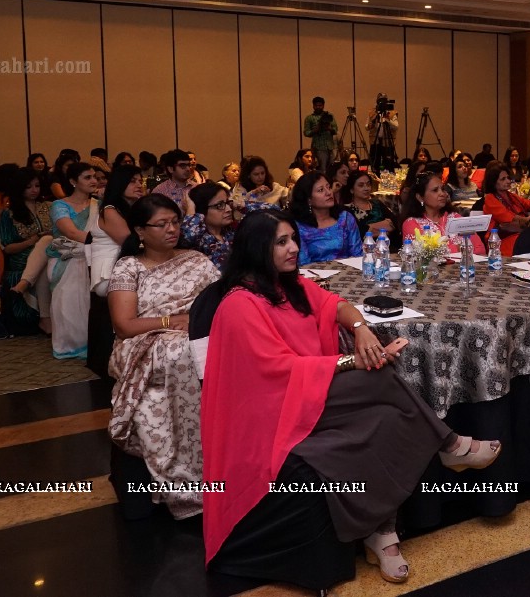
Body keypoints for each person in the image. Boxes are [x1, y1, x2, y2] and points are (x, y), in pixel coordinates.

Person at [201, 211, 500, 586]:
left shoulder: (287, 286)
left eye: (293, 238)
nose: (294, 247)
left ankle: (382, 532)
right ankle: (449, 444)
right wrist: (350, 361)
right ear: (255, 248)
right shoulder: (239, 304)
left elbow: (334, 304)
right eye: (281, 242)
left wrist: (360, 329)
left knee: (388, 415)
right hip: (271, 408)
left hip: (306, 389)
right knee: (378, 376)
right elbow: (277, 371)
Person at [107, 195, 220, 518]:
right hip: (146, 339)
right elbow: (124, 325)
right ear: (140, 231)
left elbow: (223, 300)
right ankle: (186, 477)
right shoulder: (129, 267)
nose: (172, 229)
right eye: (162, 224)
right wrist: (172, 322)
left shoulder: (196, 259)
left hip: (196, 334)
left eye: (175, 222)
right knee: (179, 354)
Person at [47, 162, 99, 359]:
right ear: (72, 182)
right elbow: (70, 232)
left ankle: (91, 345)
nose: (93, 180)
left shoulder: (98, 205)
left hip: (92, 259)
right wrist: (101, 242)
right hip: (67, 260)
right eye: (87, 177)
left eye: (94, 176)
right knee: (67, 305)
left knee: (88, 305)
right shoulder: (60, 205)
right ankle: (68, 347)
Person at [0, 168, 54, 332]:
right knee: (44, 259)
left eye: (37, 186)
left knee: (48, 245)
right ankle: (44, 317)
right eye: (29, 187)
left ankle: (44, 316)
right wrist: (31, 241)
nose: (34, 190)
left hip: (50, 253)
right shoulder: (10, 214)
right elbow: (7, 248)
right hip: (22, 258)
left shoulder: (50, 207)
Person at [91, 165, 146, 297]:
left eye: (140, 181)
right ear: (119, 184)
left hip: (128, 267)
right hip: (109, 274)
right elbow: (131, 243)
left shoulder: (132, 209)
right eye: (132, 181)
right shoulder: (110, 210)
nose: (139, 185)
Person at [400, 173, 484, 255]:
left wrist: (453, 249)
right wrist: (459, 248)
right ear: (420, 197)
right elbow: (425, 255)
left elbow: (480, 249)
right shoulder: (411, 223)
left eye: (443, 189)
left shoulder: (455, 217)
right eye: (435, 190)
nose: (442, 194)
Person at [291, 172, 363, 264]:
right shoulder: (299, 226)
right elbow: (303, 264)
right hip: (312, 275)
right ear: (309, 200)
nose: (329, 193)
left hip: (348, 273)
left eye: (328, 187)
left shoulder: (345, 218)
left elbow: (358, 255)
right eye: (321, 190)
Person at [482, 164, 530, 256]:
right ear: (493, 182)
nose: (508, 181)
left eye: (508, 178)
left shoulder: (511, 196)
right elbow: (511, 219)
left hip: (520, 233)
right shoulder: (490, 199)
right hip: (501, 240)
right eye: (503, 179)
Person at [181, 182, 237, 269]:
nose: (229, 209)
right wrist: (191, 209)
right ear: (202, 210)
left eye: (227, 203)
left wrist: (242, 205)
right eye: (219, 205)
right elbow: (185, 239)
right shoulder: (199, 239)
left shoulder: (231, 232)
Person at [344, 169, 400, 251]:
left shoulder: (377, 203)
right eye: (361, 185)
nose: (366, 188)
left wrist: (371, 228)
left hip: (387, 248)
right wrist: (384, 229)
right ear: (351, 190)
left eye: (368, 184)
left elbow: (394, 223)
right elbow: (360, 233)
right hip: (363, 251)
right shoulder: (347, 210)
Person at [303, 96, 339, 173]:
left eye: (320, 105)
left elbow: (335, 130)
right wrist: (316, 130)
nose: (318, 107)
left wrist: (329, 128)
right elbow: (306, 132)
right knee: (323, 169)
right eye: (316, 105)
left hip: (330, 146)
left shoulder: (329, 116)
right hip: (319, 147)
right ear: (313, 106)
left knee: (333, 168)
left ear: (323, 105)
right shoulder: (310, 118)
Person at [368, 99, 400, 172]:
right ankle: (375, 179)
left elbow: (396, 126)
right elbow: (367, 127)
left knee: (388, 163)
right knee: (375, 163)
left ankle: (390, 179)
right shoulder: (372, 113)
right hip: (375, 142)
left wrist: (387, 119)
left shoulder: (391, 113)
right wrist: (373, 121)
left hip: (388, 143)